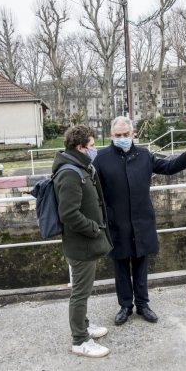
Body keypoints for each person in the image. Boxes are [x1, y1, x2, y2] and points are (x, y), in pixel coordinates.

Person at [93, 116, 186, 325]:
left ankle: (143, 304)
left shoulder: (144, 155)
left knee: (141, 265)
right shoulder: (101, 159)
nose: (122, 138)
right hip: (115, 223)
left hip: (141, 221)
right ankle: (125, 306)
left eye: (125, 134)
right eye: (117, 135)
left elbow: (167, 167)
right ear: (111, 136)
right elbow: (93, 190)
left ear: (133, 134)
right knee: (120, 267)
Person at [53, 125, 113, 358]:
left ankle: (84, 326)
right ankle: (79, 340)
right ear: (80, 147)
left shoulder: (79, 167)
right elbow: (68, 214)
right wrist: (93, 228)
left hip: (85, 242)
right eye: (91, 146)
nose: (94, 149)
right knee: (79, 293)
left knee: (83, 290)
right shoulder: (70, 172)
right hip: (82, 244)